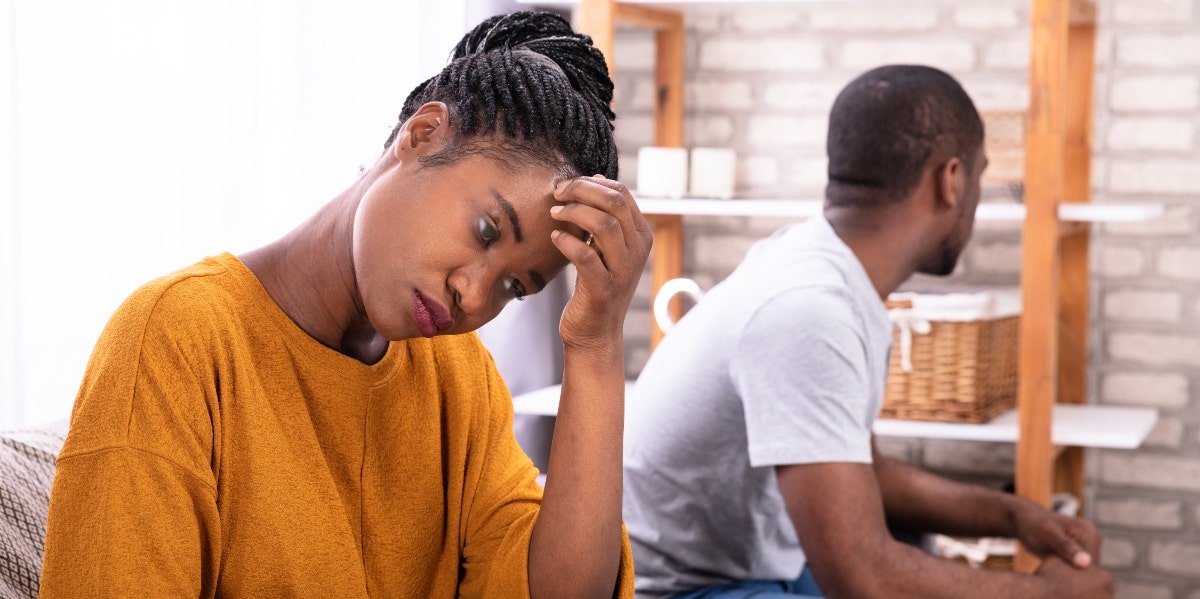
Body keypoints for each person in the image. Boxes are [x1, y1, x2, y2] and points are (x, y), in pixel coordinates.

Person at [40, 11, 651, 598]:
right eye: (487, 230)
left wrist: (595, 345)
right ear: (423, 134)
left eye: (514, 288)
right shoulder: (177, 339)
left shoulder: (458, 380)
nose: (472, 294)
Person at [622, 65, 1113, 599]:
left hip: (745, 566)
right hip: (684, 591)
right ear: (950, 180)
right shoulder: (810, 311)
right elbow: (865, 580)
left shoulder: (823, 268)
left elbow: (868, 472)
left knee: (911, 550)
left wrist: (1016, 517)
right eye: (978, 176)